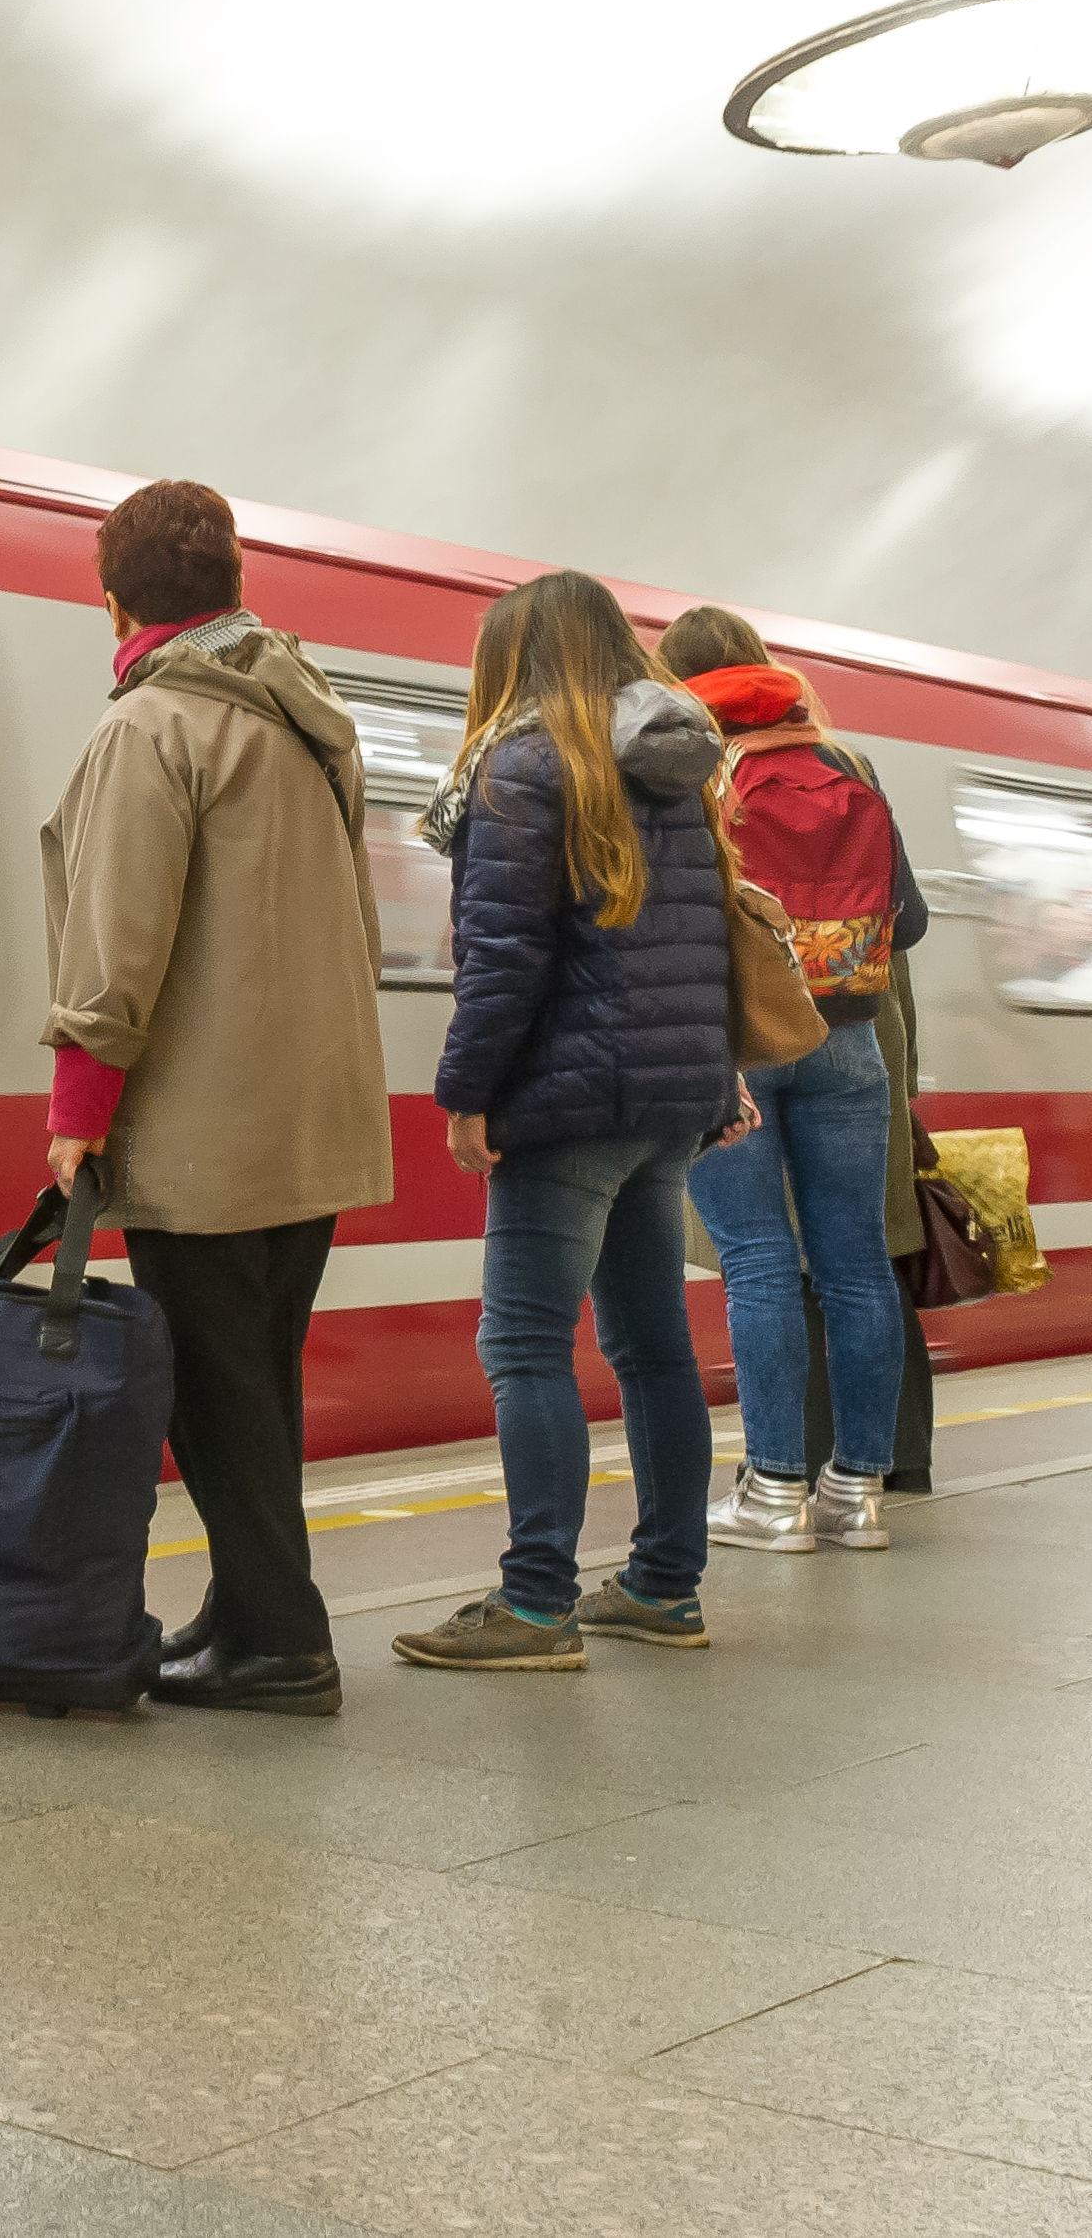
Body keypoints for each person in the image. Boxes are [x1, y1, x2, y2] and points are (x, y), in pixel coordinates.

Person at [40, 480, 394, 1716]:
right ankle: (244, 1609)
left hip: (206, 1119)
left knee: (213, 1384)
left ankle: (284, 1643)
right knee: (259, 1378)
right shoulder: (307, 718)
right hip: (311, 1111)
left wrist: (79, 1097)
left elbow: (114, 934)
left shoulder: (155, 728)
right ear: (232, 589)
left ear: (113, 595)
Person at [397, 573, 738, 1670]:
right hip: (666, 1101)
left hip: (568, 1098)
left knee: (524, 1342)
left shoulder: (523, 763)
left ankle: (535, 1601)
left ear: (514, 662)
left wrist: (464, 1092)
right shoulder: (677, 769)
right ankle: (663, 1585)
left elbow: (501, 958)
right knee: (651, 1347)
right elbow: (710, 938)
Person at [655, 606, 930, 1552]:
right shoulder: (845, 764)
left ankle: (773, 1495)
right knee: (855, 1265)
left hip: (736, 1043)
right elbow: (911, 920)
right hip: (848, 1037)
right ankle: (856, 1495)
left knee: (759, 1260)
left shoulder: (685, 761)